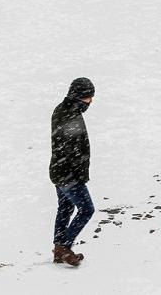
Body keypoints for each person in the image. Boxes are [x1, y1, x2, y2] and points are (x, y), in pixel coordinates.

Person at [49, 77, 96, 266]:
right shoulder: (69, 115)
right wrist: (78, 175)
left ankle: (59, 248)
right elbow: (71, 150)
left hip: (60, 171)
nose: (90, 101)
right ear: (78, 96)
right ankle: (64, 248)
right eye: (87, 97)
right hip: (69, 174)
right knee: (87, 209)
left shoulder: (65, 110)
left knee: (66, 208)